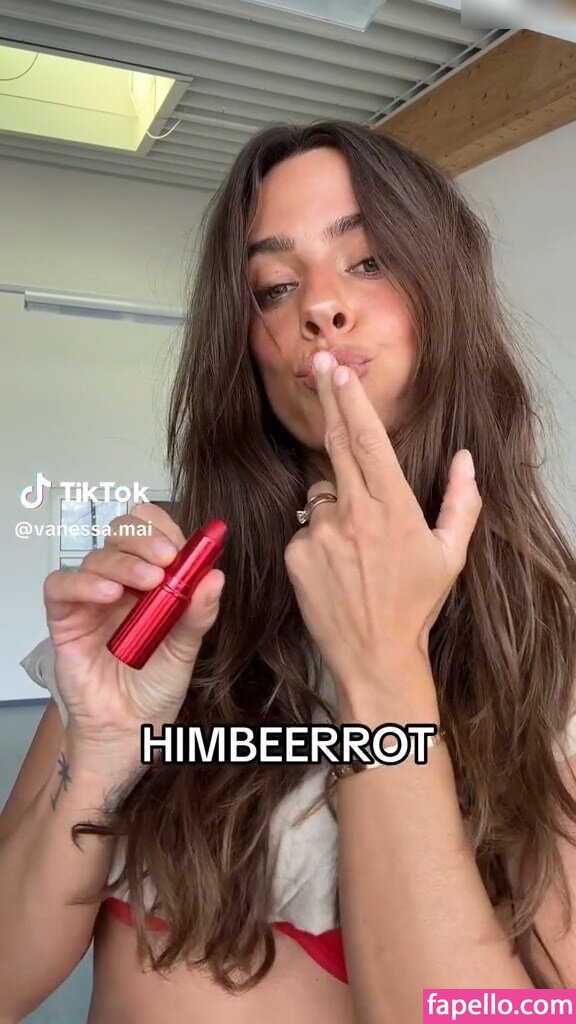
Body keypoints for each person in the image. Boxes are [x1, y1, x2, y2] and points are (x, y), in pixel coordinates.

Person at [1, 119, 576, 1024]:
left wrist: (382, 666)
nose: (321, 307)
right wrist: (100, 756)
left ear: (448, 294)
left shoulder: (545, 628)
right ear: (248, 346)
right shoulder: (169, 589)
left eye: (370, 260)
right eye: (276, 285)